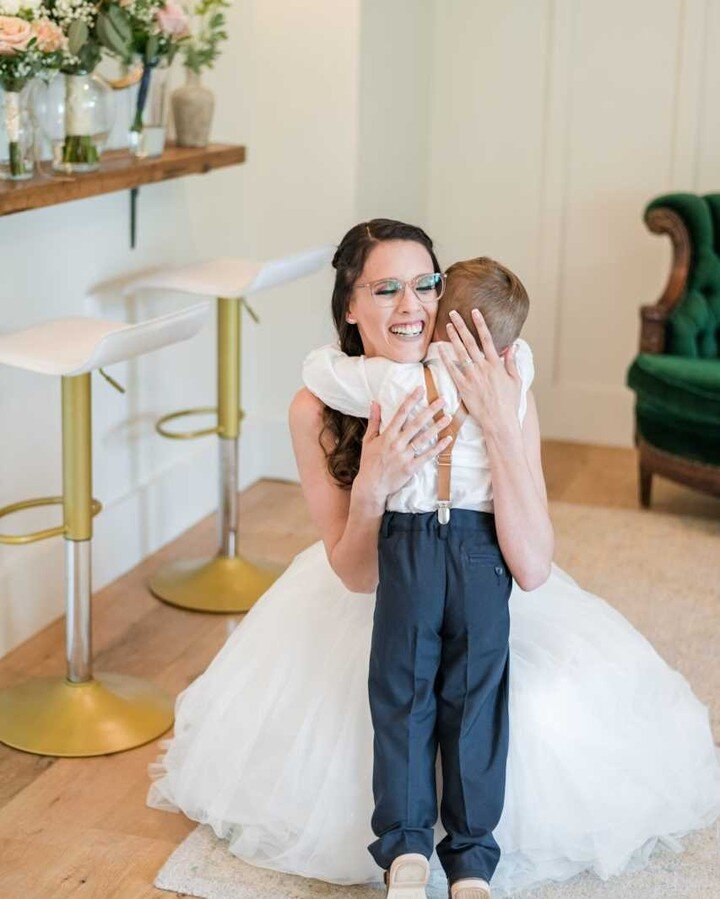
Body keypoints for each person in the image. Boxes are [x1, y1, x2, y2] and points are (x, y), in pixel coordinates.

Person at [146, 220, 720, 899]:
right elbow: (357, 575)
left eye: (427, 285)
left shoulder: (502, 381)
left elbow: (532, 568)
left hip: (486, 566)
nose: (412, 305)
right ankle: (407, 851)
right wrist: (373, 486)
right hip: (378, 581)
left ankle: (473, 857)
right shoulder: (322, 405)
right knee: (382, 704)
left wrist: (502, 422)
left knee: (514, 702)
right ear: (349, 306)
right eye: (386, 289)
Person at [300, 254, 537, 898]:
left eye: (427, 290)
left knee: (402, 693)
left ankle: (404, 849)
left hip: (410, 548)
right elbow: (517, 356)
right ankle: (471, 861)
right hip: (483, 552)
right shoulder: (513, 374)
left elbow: (321, 372)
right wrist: (501, 348)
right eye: (388, 289)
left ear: (438, 323)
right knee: (478, 697)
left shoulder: (392, 378)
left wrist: (341, 348)